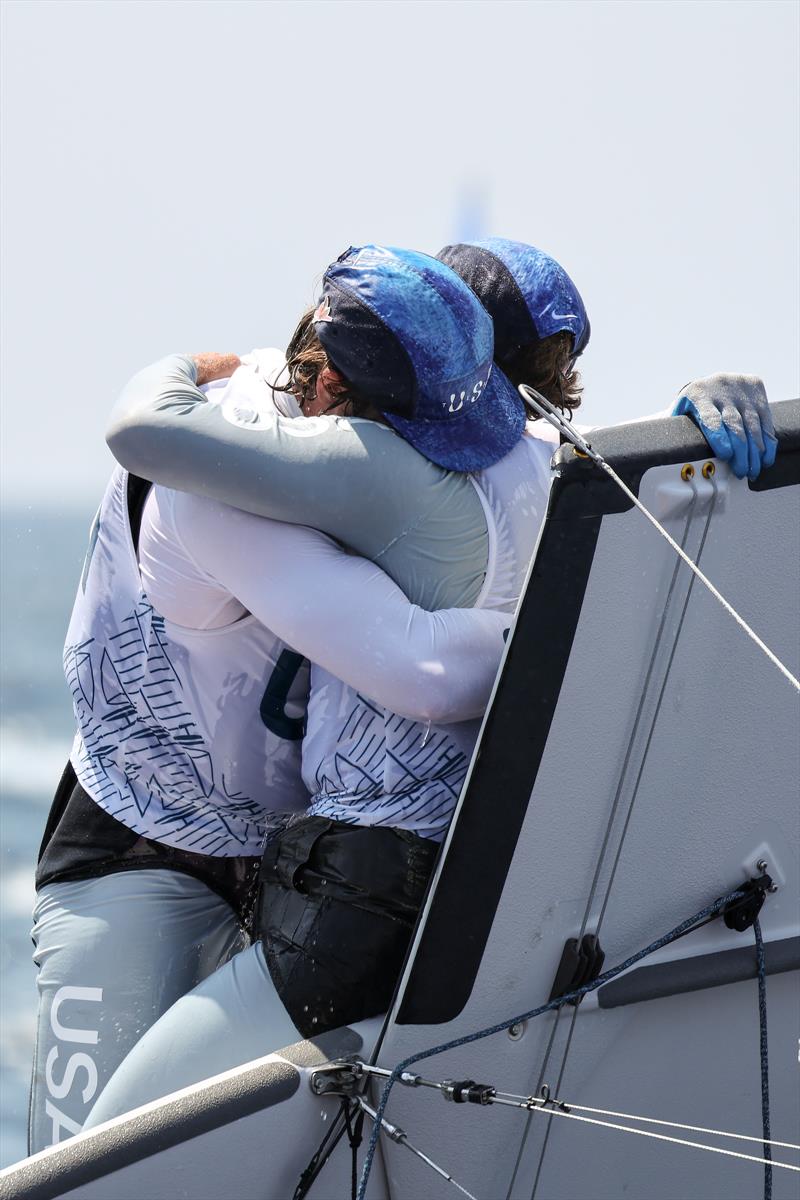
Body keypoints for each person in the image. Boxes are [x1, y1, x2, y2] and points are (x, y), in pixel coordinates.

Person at [82, 239, 778, 1129]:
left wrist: (196, 368)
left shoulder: (384, 468)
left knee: (109, 1151)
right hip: (501, 887)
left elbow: (155, 436)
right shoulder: (582, 479)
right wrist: (687, 430)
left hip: (354, 891)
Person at [28, 245, 520, 1153]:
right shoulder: (217, 475)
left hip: (292, 857)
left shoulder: (345, 414)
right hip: (144, 848)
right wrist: (559, 623)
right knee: (90, 1165)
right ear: (332, 386)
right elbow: (427, 675)